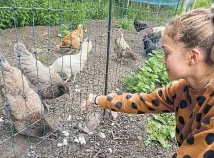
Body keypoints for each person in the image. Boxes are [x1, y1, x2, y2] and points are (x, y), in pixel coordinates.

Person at [79, 8, 214, 158]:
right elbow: (141, 101)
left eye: (167, 53)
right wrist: (98, 100)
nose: (162, 60)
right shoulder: (182, 89)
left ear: (193, 57)